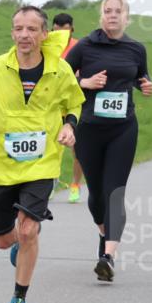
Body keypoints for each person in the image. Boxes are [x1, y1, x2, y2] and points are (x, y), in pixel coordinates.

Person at [0, 6, 85, 303]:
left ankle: (18, 300)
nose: (24, 35)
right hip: (1, 166)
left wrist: (69, 125)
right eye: (19, 28)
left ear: (44, 34)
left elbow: (74, 103)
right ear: (12, 33)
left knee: (29, 229)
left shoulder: (59, 70)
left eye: (32, 29)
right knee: (4, 240)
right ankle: (20, 241)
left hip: (42, 163)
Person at [65, 0, 152, 282]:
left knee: (114, 192)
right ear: (101, 16)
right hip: (89, 129)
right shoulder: (84, 47)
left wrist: (145, 85)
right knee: (96, 195)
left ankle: (108, 256)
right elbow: (59, 79)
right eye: (108, 11)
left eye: (118, 11)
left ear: (126, 17)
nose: (112, 15)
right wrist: (85, 82)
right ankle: (104, 235)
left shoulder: (136, 49)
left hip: (123, 129)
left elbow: (141, 76)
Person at [52, 12, 84, 203]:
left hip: (73, 105)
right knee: (50, 148)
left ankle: (75, 185)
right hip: (52, 105)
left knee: (77, 149)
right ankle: (49, 184)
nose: (61, 35)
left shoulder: (80, 47)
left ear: (72, 29)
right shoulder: (46, 46)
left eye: (65, 31)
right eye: (57, 31)